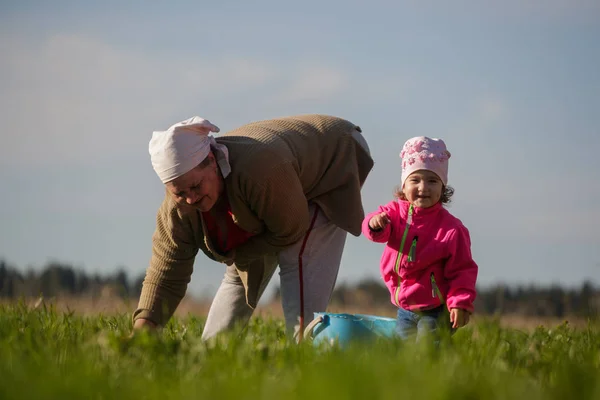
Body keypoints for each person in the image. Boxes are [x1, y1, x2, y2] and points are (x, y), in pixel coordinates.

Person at [132, 114, 373, 340]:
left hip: (333, 154)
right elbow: (166, 271)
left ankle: (302, 356)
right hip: (284, 180)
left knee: (296, 255)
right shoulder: (176, 212)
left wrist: (241, 254)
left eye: (195, 187)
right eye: (180, 193)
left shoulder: (259, 170)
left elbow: (291, 226)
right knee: (241, 270)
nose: (191, 199)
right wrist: (144, 332)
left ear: (213, 162)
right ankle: (214, 351)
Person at [362, 136, 478, 341]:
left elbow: (462, 270)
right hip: (404, 307)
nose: (423, 187)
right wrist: (374, 223)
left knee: (428, 349)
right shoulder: (394, 213)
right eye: (415, 180)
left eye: (432, 181)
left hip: (435, 309)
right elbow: (374, 230)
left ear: (443, 188)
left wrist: (460, 302)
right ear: (404, 186)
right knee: (405, 352)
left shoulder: (451, 229)